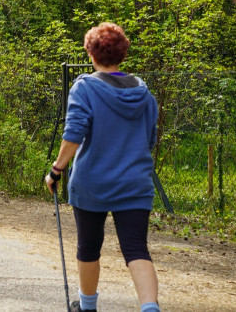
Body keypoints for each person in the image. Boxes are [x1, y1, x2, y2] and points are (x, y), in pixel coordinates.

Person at [46, 23, 160, 312]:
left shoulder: (85, 87)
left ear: (91, 54)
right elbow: (150, 140)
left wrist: (57, 170)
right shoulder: (145, 94)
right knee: (136, 249)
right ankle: (150, 308)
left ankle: (87, 307)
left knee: (88, 247)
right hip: (135, 184)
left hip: (91, 184)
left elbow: (73, 134)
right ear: (122, 54)